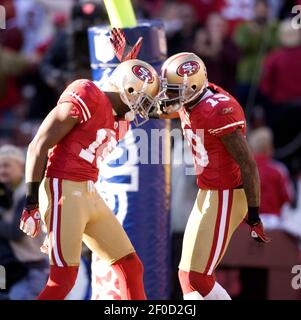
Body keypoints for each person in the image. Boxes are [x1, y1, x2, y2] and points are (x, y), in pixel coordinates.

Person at [19, 56, 160, 299]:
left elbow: (124, 97)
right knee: (63, 280)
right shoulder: (87, 93)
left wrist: (127, 63)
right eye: (141, 101)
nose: (141, 110)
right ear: (127, 91)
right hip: (63, 188)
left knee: (130, 267)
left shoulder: (117, 115)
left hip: (88, 192)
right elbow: (38, 145)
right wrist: (31, 202)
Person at [156, 52, 270, 300]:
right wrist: (129, 68)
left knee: (199, 277)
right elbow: (157, 109)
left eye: (174, 90)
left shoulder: (217, 110)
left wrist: (254, 215)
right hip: (209, 191)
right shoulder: (193, 98)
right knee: (186, 276)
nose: (169, 96)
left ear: (193, 87)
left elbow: (248, 165)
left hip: (228, 194)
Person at [0, 145, 47, 299]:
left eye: (6, 165)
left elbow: (15, 232)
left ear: (21, 167)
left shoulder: (28, 195)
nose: (2, 171)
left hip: (31, 271)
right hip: (13, 270)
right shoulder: (7, 191)